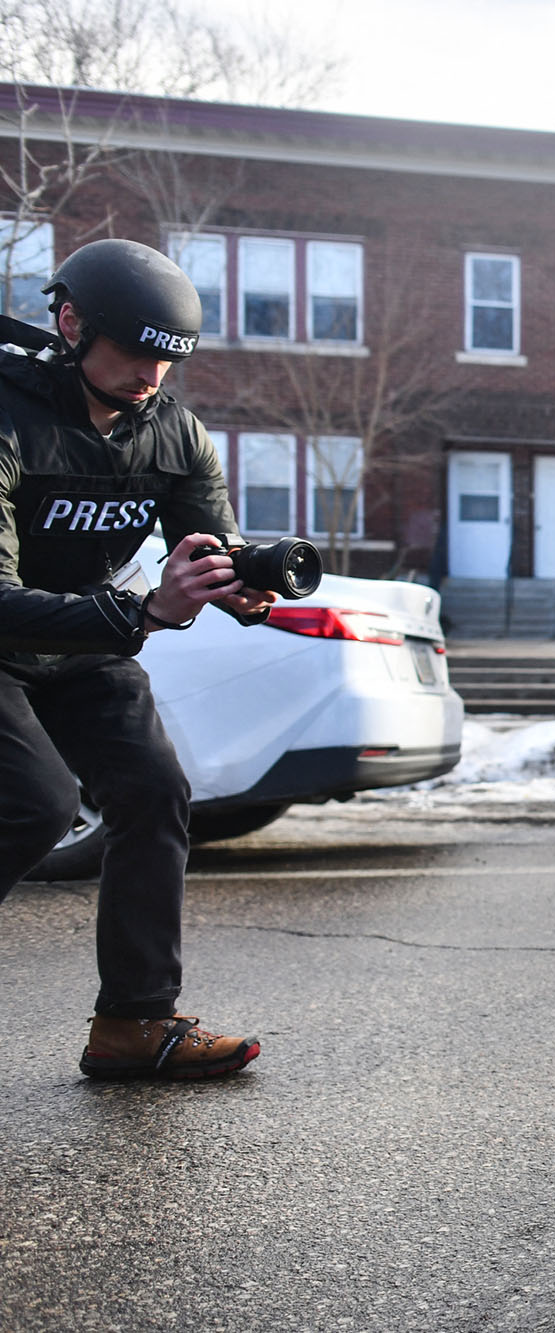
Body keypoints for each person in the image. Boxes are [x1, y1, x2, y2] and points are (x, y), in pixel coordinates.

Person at [0, 238, 269, 1080]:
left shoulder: (174, 432)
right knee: (35, 805)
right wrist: (146, 610)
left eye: (168, 359)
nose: (152, 376)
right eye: (136, 351)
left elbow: (208, 541)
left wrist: (240, 584)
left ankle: (133, 1025)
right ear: (70, 321)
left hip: (85, 642)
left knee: (155, 791)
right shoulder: (7, 416)